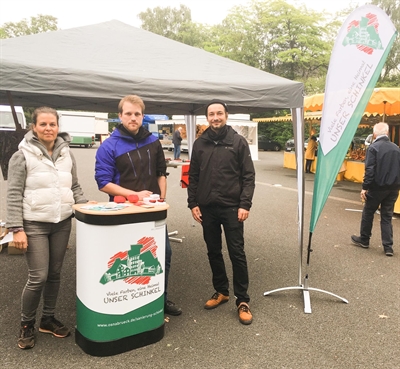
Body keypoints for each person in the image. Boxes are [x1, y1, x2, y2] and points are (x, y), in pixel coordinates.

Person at [6, 107, 88, 349]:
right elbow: (12, 194)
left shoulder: (66, 154)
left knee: (54, 273)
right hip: (34, 224)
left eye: (52, 124)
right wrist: (15, 228)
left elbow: (74, 186)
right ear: (34, 127)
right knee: (38, 276)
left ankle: (48, 319)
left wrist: (85, 206)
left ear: (58, 126)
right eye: (43, 124)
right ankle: (26, 323)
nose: (48, 128)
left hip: (62, 222)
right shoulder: (21, 155)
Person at [95, 94, 182, 316]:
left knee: (162, 256)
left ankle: (160, 299)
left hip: (152, 211)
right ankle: (128, 306)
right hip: (122, 212)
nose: (133, 118)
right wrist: (135, 195)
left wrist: (161, 198)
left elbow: (161, 172)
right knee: (126, 260)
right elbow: (103, 183)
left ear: (143, 116)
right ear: (120, 116)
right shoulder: (109, 146)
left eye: (137, 114)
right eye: (128, 114)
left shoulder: (153, 141)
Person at [187, 100, 255, 325]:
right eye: (211, 114)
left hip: (232, 208)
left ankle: (242, 300)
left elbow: (248, 176)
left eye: (219, 113)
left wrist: (245, 204)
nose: (215, 117)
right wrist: (193, 203)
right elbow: (193, 176)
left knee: (237, 253)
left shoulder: (237, 142)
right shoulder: (200, 144)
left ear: (226, 115)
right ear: (206, 118)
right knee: (213, 251)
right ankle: (221, 291)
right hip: (207, 208)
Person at [351, 122, 400, 256]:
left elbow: (370, 170)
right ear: (388, 133)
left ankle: (364, 239)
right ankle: (388, 246)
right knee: (387, 216)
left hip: (377, 187)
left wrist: (365, 187)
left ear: (374, 134)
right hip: (393, 188)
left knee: (368, 212)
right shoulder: (396, 148)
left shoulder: (373, 148)